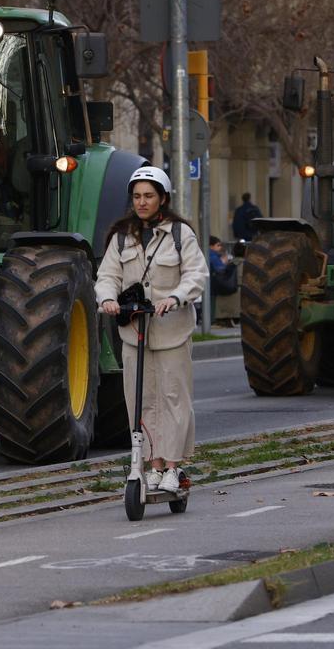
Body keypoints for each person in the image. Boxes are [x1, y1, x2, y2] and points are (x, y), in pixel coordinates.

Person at [95, 166, 207, 494]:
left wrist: (176, 297)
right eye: (137, 196)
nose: (142, 202)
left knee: (174, 399)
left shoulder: (179, 234)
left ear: (163, 198)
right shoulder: (121, 236)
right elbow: (107, 276)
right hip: (135, 332)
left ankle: (173, 466)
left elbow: (196, 274)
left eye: (149, 196)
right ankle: (152, 465)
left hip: (172, 332)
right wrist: (108, 300)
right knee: (141, 400)